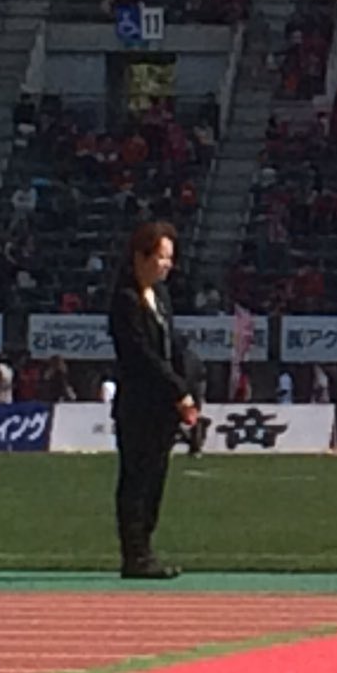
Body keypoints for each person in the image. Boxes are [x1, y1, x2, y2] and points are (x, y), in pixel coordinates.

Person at [108, 221, 203, 579]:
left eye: (169, 259)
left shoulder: (160, 297)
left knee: (156, 479)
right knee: (137, 478)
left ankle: (147, 548)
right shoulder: (125, 300)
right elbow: (141, 356)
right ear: (140, 257)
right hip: (138, 405)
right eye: (161, 257)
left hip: (162, 407)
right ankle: (134, 554)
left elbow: (170, 346)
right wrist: (178, 390)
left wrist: (190, 381)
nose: (166, 265)